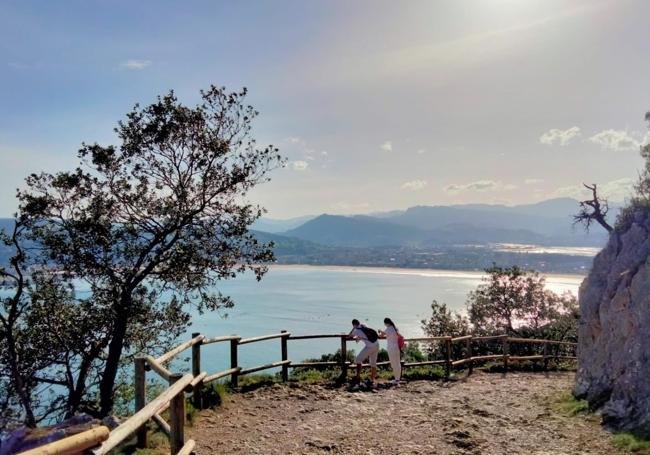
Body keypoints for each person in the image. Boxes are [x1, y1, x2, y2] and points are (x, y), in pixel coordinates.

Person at [348, 318, 379, 384]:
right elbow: (365, 334)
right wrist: (359, 338)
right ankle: (372, 379)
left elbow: (349, 335)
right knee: (373, 363)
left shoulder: (356, 330)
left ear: (353, 325)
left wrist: (353, 328)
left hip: (369, 347)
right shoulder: (364, 325)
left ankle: (358, 376)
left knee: (358, 360)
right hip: (376, 344)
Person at [379, 317, 401, 384]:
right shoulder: (395, 328)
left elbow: (381, 336)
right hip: (396, 347)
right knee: (397, 363)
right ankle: (398, 379)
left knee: (394, 364)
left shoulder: (388, 329)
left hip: (391, 348)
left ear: (386, 323)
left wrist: (380, 331)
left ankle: (396, 380)